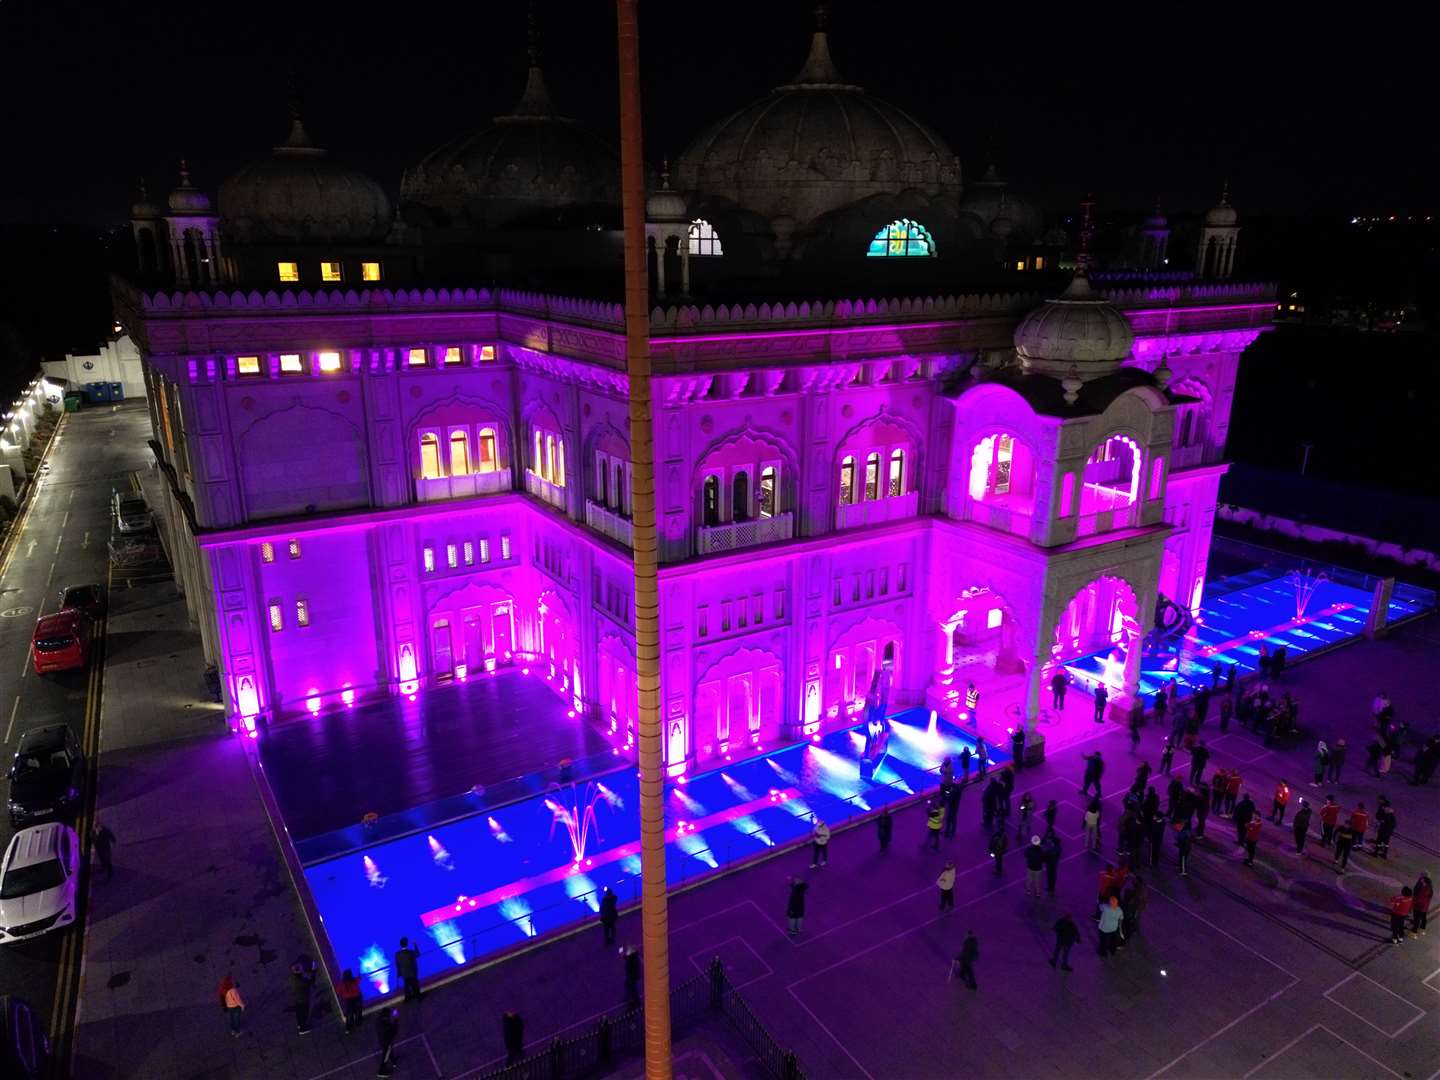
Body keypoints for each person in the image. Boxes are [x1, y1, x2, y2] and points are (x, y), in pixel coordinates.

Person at [290, 961, 314, 1035]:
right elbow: (310, 982)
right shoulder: (300, 981)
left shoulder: (293, 977)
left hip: (298, 998)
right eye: (301, 968)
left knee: (299, 1012)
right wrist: (314, 971)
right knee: (304, 1013)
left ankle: (300, 1024)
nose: (302, 969)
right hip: (303, 999)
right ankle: (302, 1029)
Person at [396, 937, 421, 1002]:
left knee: (407, 986)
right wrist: (415, 944)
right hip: (412, 972)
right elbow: (418, 954)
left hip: (404, 973)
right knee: (415, 985)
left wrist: (399, 974)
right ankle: (418, 997)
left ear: (400, 945)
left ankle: (407, 999)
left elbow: (397, 964)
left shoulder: (397, 954)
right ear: (407, 944)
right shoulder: (410, 952)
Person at [376, 1006, 400, 1076]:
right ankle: (381, 1071)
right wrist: (396, 1019)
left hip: (382, 1040)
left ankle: (393, 1060)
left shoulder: (378, 1020)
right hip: (387, 1043)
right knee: (385, 1056)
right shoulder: (386, 1025)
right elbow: (394, 1031)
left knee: (389, 1052)